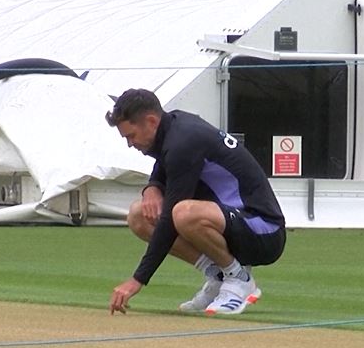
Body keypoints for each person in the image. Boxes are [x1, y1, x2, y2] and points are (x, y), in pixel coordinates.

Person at [105, 88, 286, 316]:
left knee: (182, 213)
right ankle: (218, 276)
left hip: (263, 230)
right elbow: (165, 160)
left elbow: (169, 220)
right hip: (230, 222)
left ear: (151, 121)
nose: (130, 144)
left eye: (131, 136)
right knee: (139, 215)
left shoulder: (183, 140)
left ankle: (239, 278)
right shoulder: (173, 125)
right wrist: (153, 187)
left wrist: (137, 279)